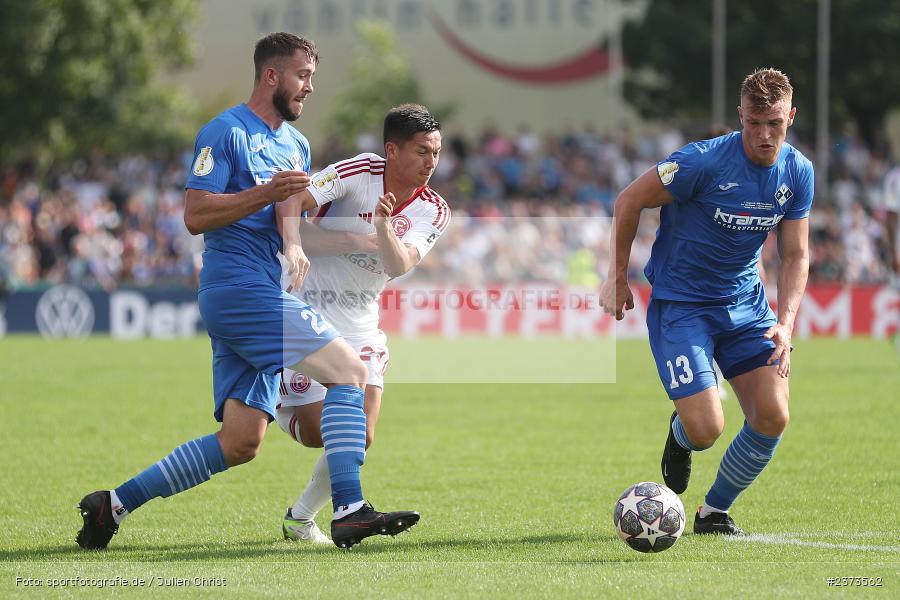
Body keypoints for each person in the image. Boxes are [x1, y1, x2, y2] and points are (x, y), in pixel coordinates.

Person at [76, 32, 417, 551]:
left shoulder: (296, 144)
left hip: (262, 286)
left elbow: (289, 206)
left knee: (240, 443)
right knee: (351, 370)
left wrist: (294, 241)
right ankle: (349, 509)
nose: (309, 88)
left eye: (313, 79)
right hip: (238, 287)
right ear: (272, 75)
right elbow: (195, 214)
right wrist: (265, 193)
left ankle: (111, 506)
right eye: (303, 77)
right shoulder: (225, 131)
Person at [600, 68, 813, 535]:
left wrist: (787, 323)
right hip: (683, 307)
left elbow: (796, 254)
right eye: (754, 122)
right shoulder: (700, 163)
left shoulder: (798, 172)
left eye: (774, 123)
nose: (763, 134)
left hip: (746, 306)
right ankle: (680, 434)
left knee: (774, 416)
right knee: (706, 430)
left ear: (791, 117)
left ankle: (713, 512)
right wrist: (617, 278)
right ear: (741, 116)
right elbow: (628, 200)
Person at [274, 104, 449, 545]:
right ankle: (278, 407)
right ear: (392, 149)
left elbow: (400, 263)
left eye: (436, 152)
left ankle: (301, 517)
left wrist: (387, 229)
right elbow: (292, 207)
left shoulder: (434, 208)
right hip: (307, 311)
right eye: (422, 151)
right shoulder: (358, 172)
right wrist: (356, 239)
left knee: (360, 437)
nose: (432, 162)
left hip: (362, 325)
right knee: (319, 434)